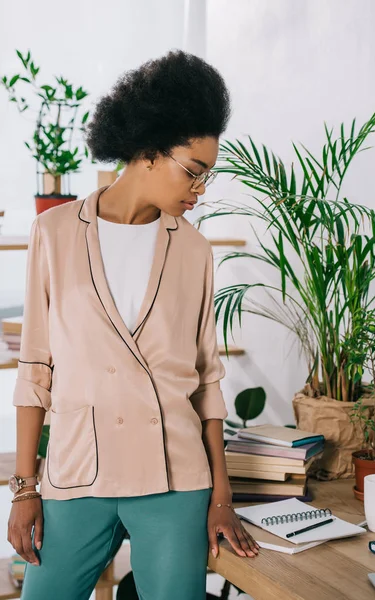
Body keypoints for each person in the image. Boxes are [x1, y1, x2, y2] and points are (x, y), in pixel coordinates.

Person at [7, 49, 260, 600]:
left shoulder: (194, 251)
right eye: (193, 172)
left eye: (207, 176)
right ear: (147, 150)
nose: (200, 190)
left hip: (173, 478)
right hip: (77, 473)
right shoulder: (53, 233)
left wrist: (221, 497)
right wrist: (24, 489)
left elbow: (207, 382)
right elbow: (34, 368)